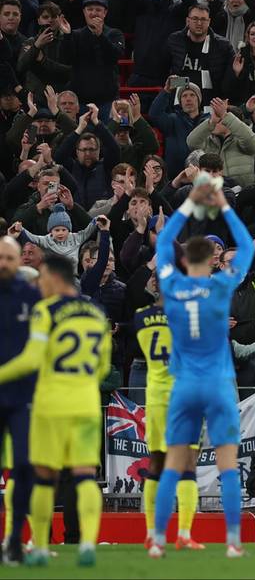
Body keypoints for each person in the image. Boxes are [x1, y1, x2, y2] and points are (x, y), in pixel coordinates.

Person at [147, 178, 254, 560]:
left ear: (182, 260)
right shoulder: (222, 285)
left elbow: (162, 241)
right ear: (210, 260)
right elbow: (247, 245)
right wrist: (223, 204)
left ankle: (158, 540)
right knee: (227, 464)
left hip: (185, 384)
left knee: (174, 464)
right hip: (220, 382)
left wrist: (190, 202)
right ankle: (233, 541)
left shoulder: (171, 285)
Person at [0, 254, 110, 568]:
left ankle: (39, 547)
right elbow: (102, 367)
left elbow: (32, 359)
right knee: (85, 476)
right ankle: (88, 543)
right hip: (87, 404)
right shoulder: (96, 312)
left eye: (41, 278)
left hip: (50, 405)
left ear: (52, 276)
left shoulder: (44, 310)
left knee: (44, 477)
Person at [133, 294, 201, 551]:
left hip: (157, 397)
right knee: (187, 463)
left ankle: (151, 532)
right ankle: (184, 533)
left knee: (158, 462)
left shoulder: (141, 316)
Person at [0, 236, 44, 565]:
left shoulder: (34, 299)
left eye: (9, 258)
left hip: (23, 399)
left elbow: (35, 354)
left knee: (24, 466)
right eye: (0, 257)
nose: (4, 263)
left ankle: (15, 539)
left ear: (19, 261)